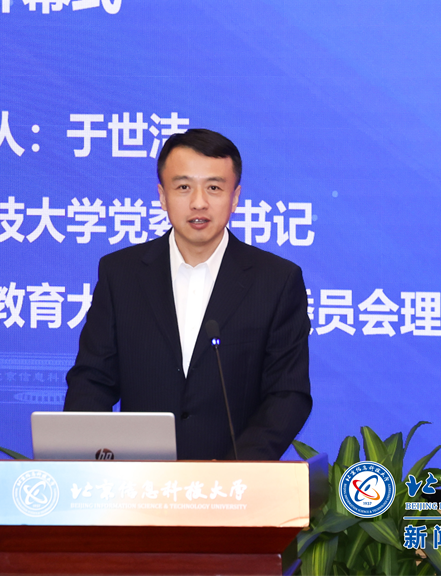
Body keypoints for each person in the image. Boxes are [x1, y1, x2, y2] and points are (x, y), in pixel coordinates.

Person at [63, 129, 311, 460]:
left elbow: (287, 394)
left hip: (234, 481)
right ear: (162, 196)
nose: (198, 202)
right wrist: (91, 459)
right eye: (183, 187)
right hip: (139, 479)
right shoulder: (121, 274)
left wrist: (235, 470)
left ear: (235, 197)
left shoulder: (276, 280)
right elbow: (92, 380)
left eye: (214, 188)